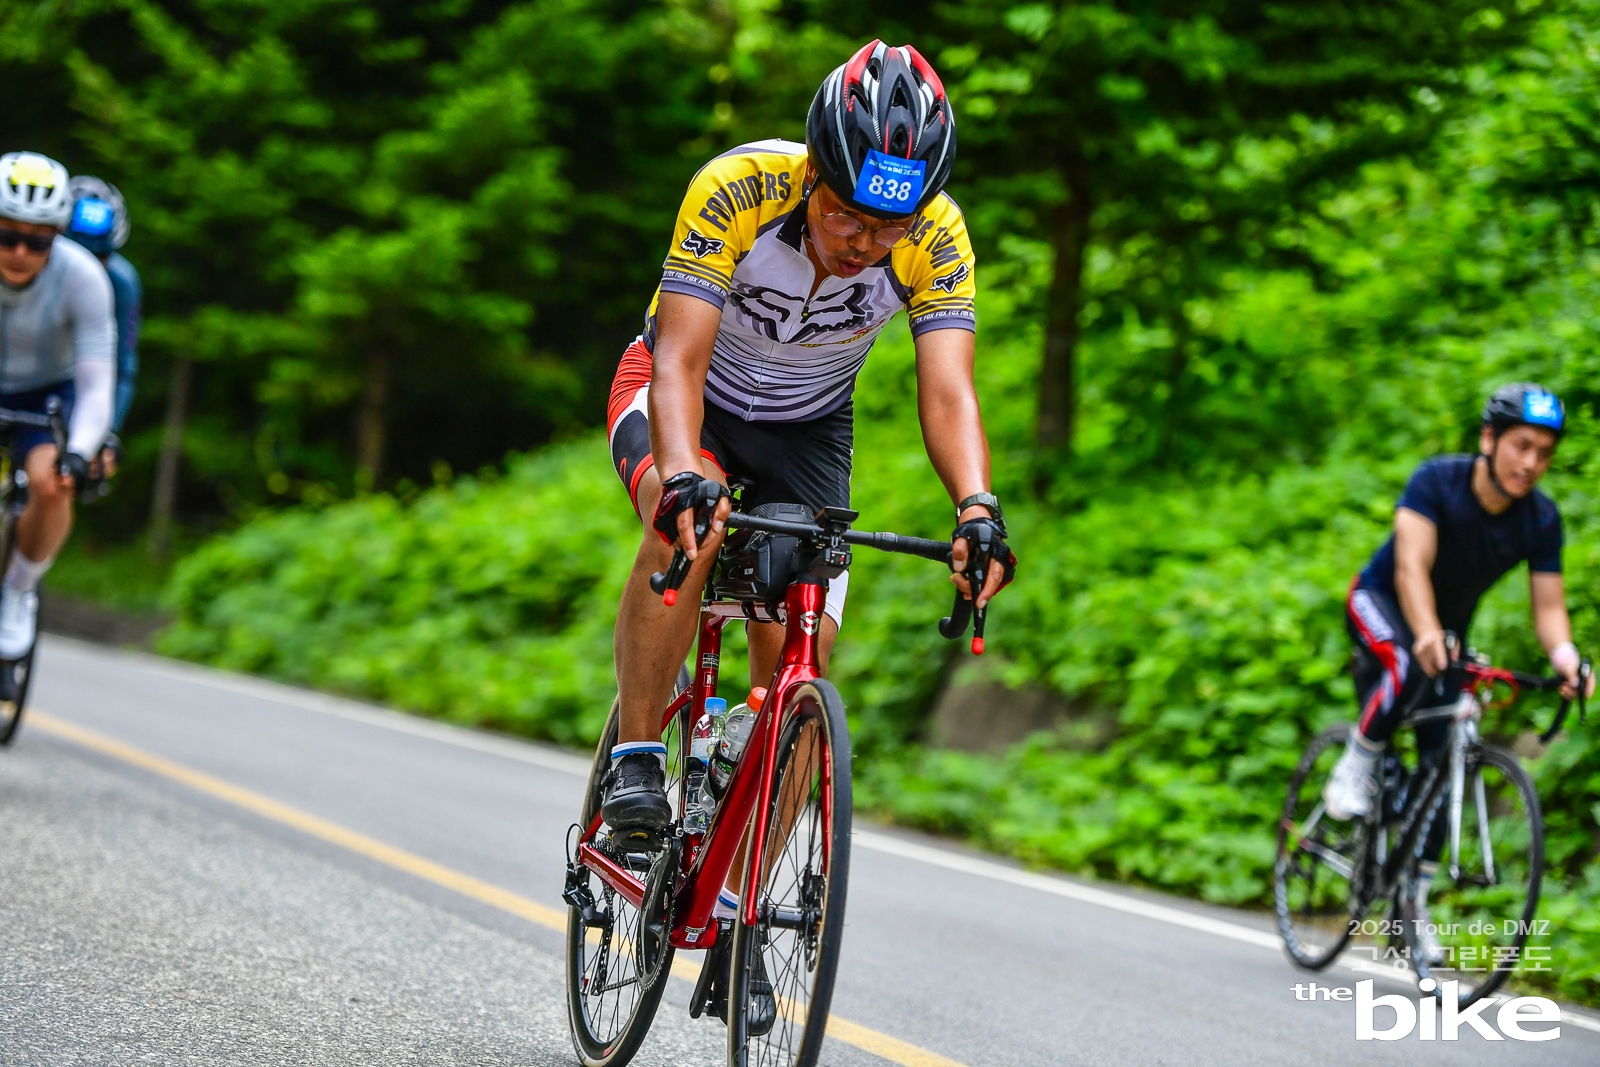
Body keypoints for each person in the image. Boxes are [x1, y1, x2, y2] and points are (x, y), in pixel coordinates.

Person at [1324, 382, 1594, 960]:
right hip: (1382, 602)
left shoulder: (1540, 519)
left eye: (1545, 453)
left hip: (1445, 631)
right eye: (1522, 446)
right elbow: (1410, 568)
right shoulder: (1436, 481)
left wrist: (1566, 658)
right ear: (1489, 439)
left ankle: (1411, 910)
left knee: (1442, 765)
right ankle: (1356, 763)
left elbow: (1549, 608)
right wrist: (1424, 630)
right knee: (1405, 661)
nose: (1531, 463)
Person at [0, 152, 117, 662]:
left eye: (38, 242)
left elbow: (97, 384)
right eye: (6, 236)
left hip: (48, 393)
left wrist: (80, 452)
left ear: (58, 237)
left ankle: (18, 589)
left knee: (53, 482)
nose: (20, 252)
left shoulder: (83, 277)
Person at [64, 175, 139, 476]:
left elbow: (122, 366)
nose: (87, 269)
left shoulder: (122, 284)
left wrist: (108, 431)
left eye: (100, 257)